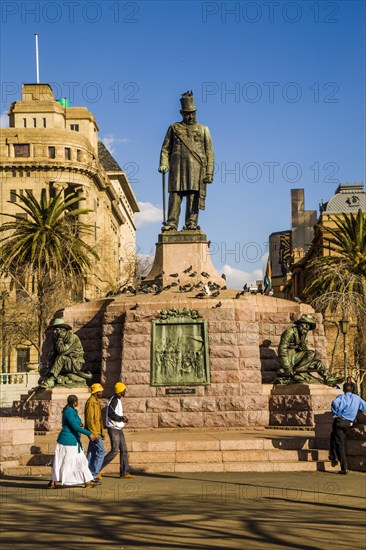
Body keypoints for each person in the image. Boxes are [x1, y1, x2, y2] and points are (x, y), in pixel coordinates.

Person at [159, 91, 214, 232]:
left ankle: (191, 224)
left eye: (192, 113)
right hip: (177, 169)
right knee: (175, 196)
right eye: (187, 114)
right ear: (181, 113)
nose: (190, 116)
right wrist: (164, 163)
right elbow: (165, 149)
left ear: (195, 112)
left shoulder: (203, 129)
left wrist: (209, 172)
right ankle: (171, 223)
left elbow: (209, 152)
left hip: (196, 169)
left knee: (193, 197)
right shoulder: (174, 128)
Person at [274, 314, 339, 386]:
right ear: (300, 324)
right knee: (311, 353)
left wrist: (302, 348)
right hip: (290, 359)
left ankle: (328, 378)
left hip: (298, 360)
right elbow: (282, 350)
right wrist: (287, 367)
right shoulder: (290, 332)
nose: (306, 329)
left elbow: (305, 354)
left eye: (308, 327)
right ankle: (299, 374)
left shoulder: (303, 335)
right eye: (305, 325)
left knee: (318, 363)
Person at [48, 394, 97, 489]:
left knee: (62, 460)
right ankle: (87, 481)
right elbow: (75, 427)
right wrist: (89, 433)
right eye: (77, 401)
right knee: (79, 460)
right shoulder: (69, 411)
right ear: (75, 402)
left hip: (71, 440)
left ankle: (53, 481)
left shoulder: (71, 411)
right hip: (68, 441)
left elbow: (75, 423)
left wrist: (80, 424)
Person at [39, 318, 92, 389]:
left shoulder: (72, 337)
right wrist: (49, 367)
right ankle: (49, 378)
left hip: (75, 362)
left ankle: (51, 379)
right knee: (47, 367)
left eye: (56, 330)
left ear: (62, 330)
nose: (54, 332)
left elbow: (63, 351)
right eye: (54, 329)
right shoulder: (57, 339)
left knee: (61, 358)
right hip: (65, 362)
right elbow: (54, 354)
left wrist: (60, 340)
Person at [329, 383, 366, 474]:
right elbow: (364, 406)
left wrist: (336, 413)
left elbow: (334, 403)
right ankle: (333, 456)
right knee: (333, 436)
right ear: (352, 389)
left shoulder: (341, 397)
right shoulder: (357, 398)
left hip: (340, 421)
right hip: (349, 423)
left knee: (339, 444)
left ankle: (343, 467)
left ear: (344, 390)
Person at [100, 382, 135, 479]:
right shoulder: (114, 400)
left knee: (124, 450)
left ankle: (125, 473)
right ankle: (96, 469)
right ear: (120, 391)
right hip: (114, 429)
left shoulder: (118, 400)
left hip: (119, 429)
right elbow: (111, 414)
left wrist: (122, 419)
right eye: (124, 390)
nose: (125, 391)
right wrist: (122, 419)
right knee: (114, 451)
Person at [84, 383, 105, 483]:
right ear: (97, 392)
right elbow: (90, 420)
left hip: (97, 432)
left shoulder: (96, 402)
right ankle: (93, 474)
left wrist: (102, 432)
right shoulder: (91, 403)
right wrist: (95, 435)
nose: (102, 392)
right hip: (94, 433)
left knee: (91, 453)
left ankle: (86, 473)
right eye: (100, 390)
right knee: (101, 452)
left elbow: (99, 420)